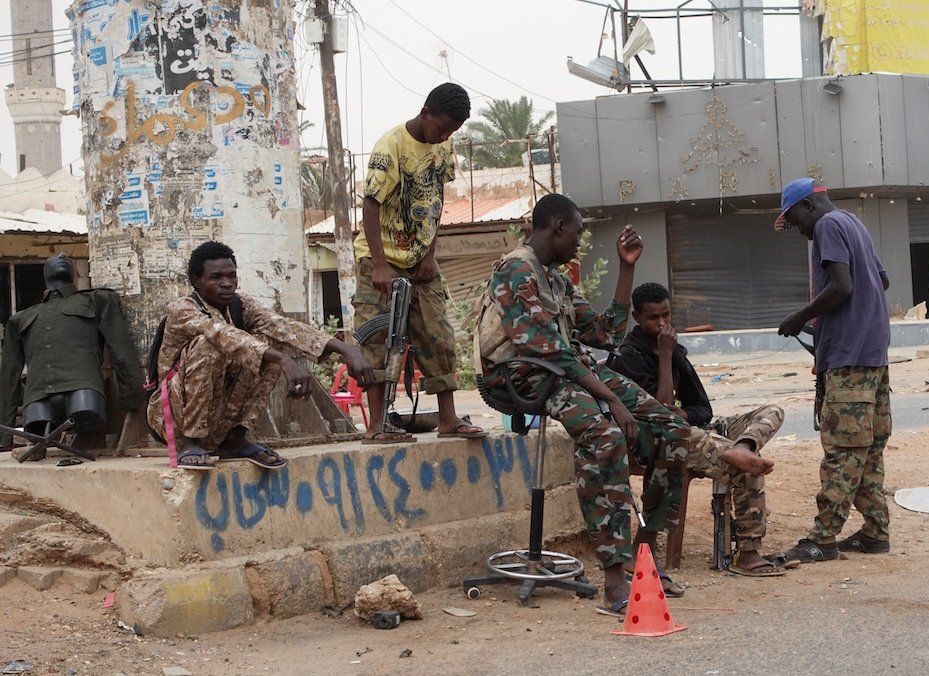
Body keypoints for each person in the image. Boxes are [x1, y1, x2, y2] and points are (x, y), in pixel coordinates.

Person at [476, 194, 690, 615]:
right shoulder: (517, 269)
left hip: (564, 369)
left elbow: (604, 332)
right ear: (557, 226)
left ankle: (643, 555)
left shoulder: (556, 279)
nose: (579, 242)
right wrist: (611, 399)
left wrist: (627, 268)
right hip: (523, 376)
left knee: (670, 428)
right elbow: (550, 352)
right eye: (576, 233)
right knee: (604, 436)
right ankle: (613, 583)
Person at [607, 282, 786, 576]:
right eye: (654, 318)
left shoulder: (674, 350)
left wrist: (684, 412)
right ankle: (750, 553)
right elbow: (659, 412)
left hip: (695, 430)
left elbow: (703, 408)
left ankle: (743, 447)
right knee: (744, 467)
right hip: (660, 440)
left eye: (666, 315)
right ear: (637, 317)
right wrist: (665, 357)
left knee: (771, 412)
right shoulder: (629, 356)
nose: (662, 324)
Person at [147, 242, 375, 471]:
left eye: (231, 276)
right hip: (174, 415)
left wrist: (347, 350)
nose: (226, 284)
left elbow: (281, 326)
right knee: (212, 344)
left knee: (267, 342)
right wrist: (283, 361)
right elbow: (223, 335)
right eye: (216, 277)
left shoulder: (240, 304)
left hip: (215, 414)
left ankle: (233, 439)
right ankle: (190, 442)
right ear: (196, 281)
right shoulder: (182, 308)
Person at [352, 82, 484, 443]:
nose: (444, 137)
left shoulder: (444, 146)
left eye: (452, 132)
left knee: (439, 333)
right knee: (377, 339)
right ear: (425, 113)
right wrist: (379, 264)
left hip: (421, 260)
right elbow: (371, 204)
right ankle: (377, 425)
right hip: (380, 259)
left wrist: (430, 253)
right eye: (441, 128)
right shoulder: (390, 146)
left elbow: (437, 198)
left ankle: (448, 418)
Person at [774, 178, 893, 563]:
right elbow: (881, 280)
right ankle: (875, 533)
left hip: (848, 358)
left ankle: (822, 539)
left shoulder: (826, 226)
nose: (800, 231)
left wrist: (799, 317)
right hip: (873, 352)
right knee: (868, 451)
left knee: (842, 451)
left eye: (795, 221)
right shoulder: (854, 223)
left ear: (808, 206)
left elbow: (842, 286)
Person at [0, 254, 142, 461]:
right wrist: (4, 437)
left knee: (87, 424)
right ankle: (40, 443)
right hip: (38, 399)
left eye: (66, 256)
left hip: (83, 393)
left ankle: (81, 437)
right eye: (54, 256)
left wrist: (133, 403)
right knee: (38, 431)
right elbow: (8, 378)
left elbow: (122, 350)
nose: (61, 255)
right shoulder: (20, 319)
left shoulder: (97, 300)